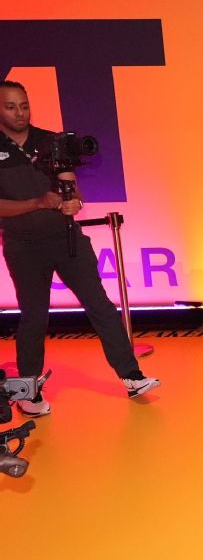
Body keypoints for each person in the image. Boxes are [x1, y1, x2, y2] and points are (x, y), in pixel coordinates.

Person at [0, 80, 160, 417]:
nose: (20, 113)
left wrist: (74, 202)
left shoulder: (51, 141)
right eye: (11, 106)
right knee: (34, 318)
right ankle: (29, 392)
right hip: (23, 246)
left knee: (100, 306)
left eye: (24, 105)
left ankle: (132, 376)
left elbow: (72, 188)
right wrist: (37, 203)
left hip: (67, 238)